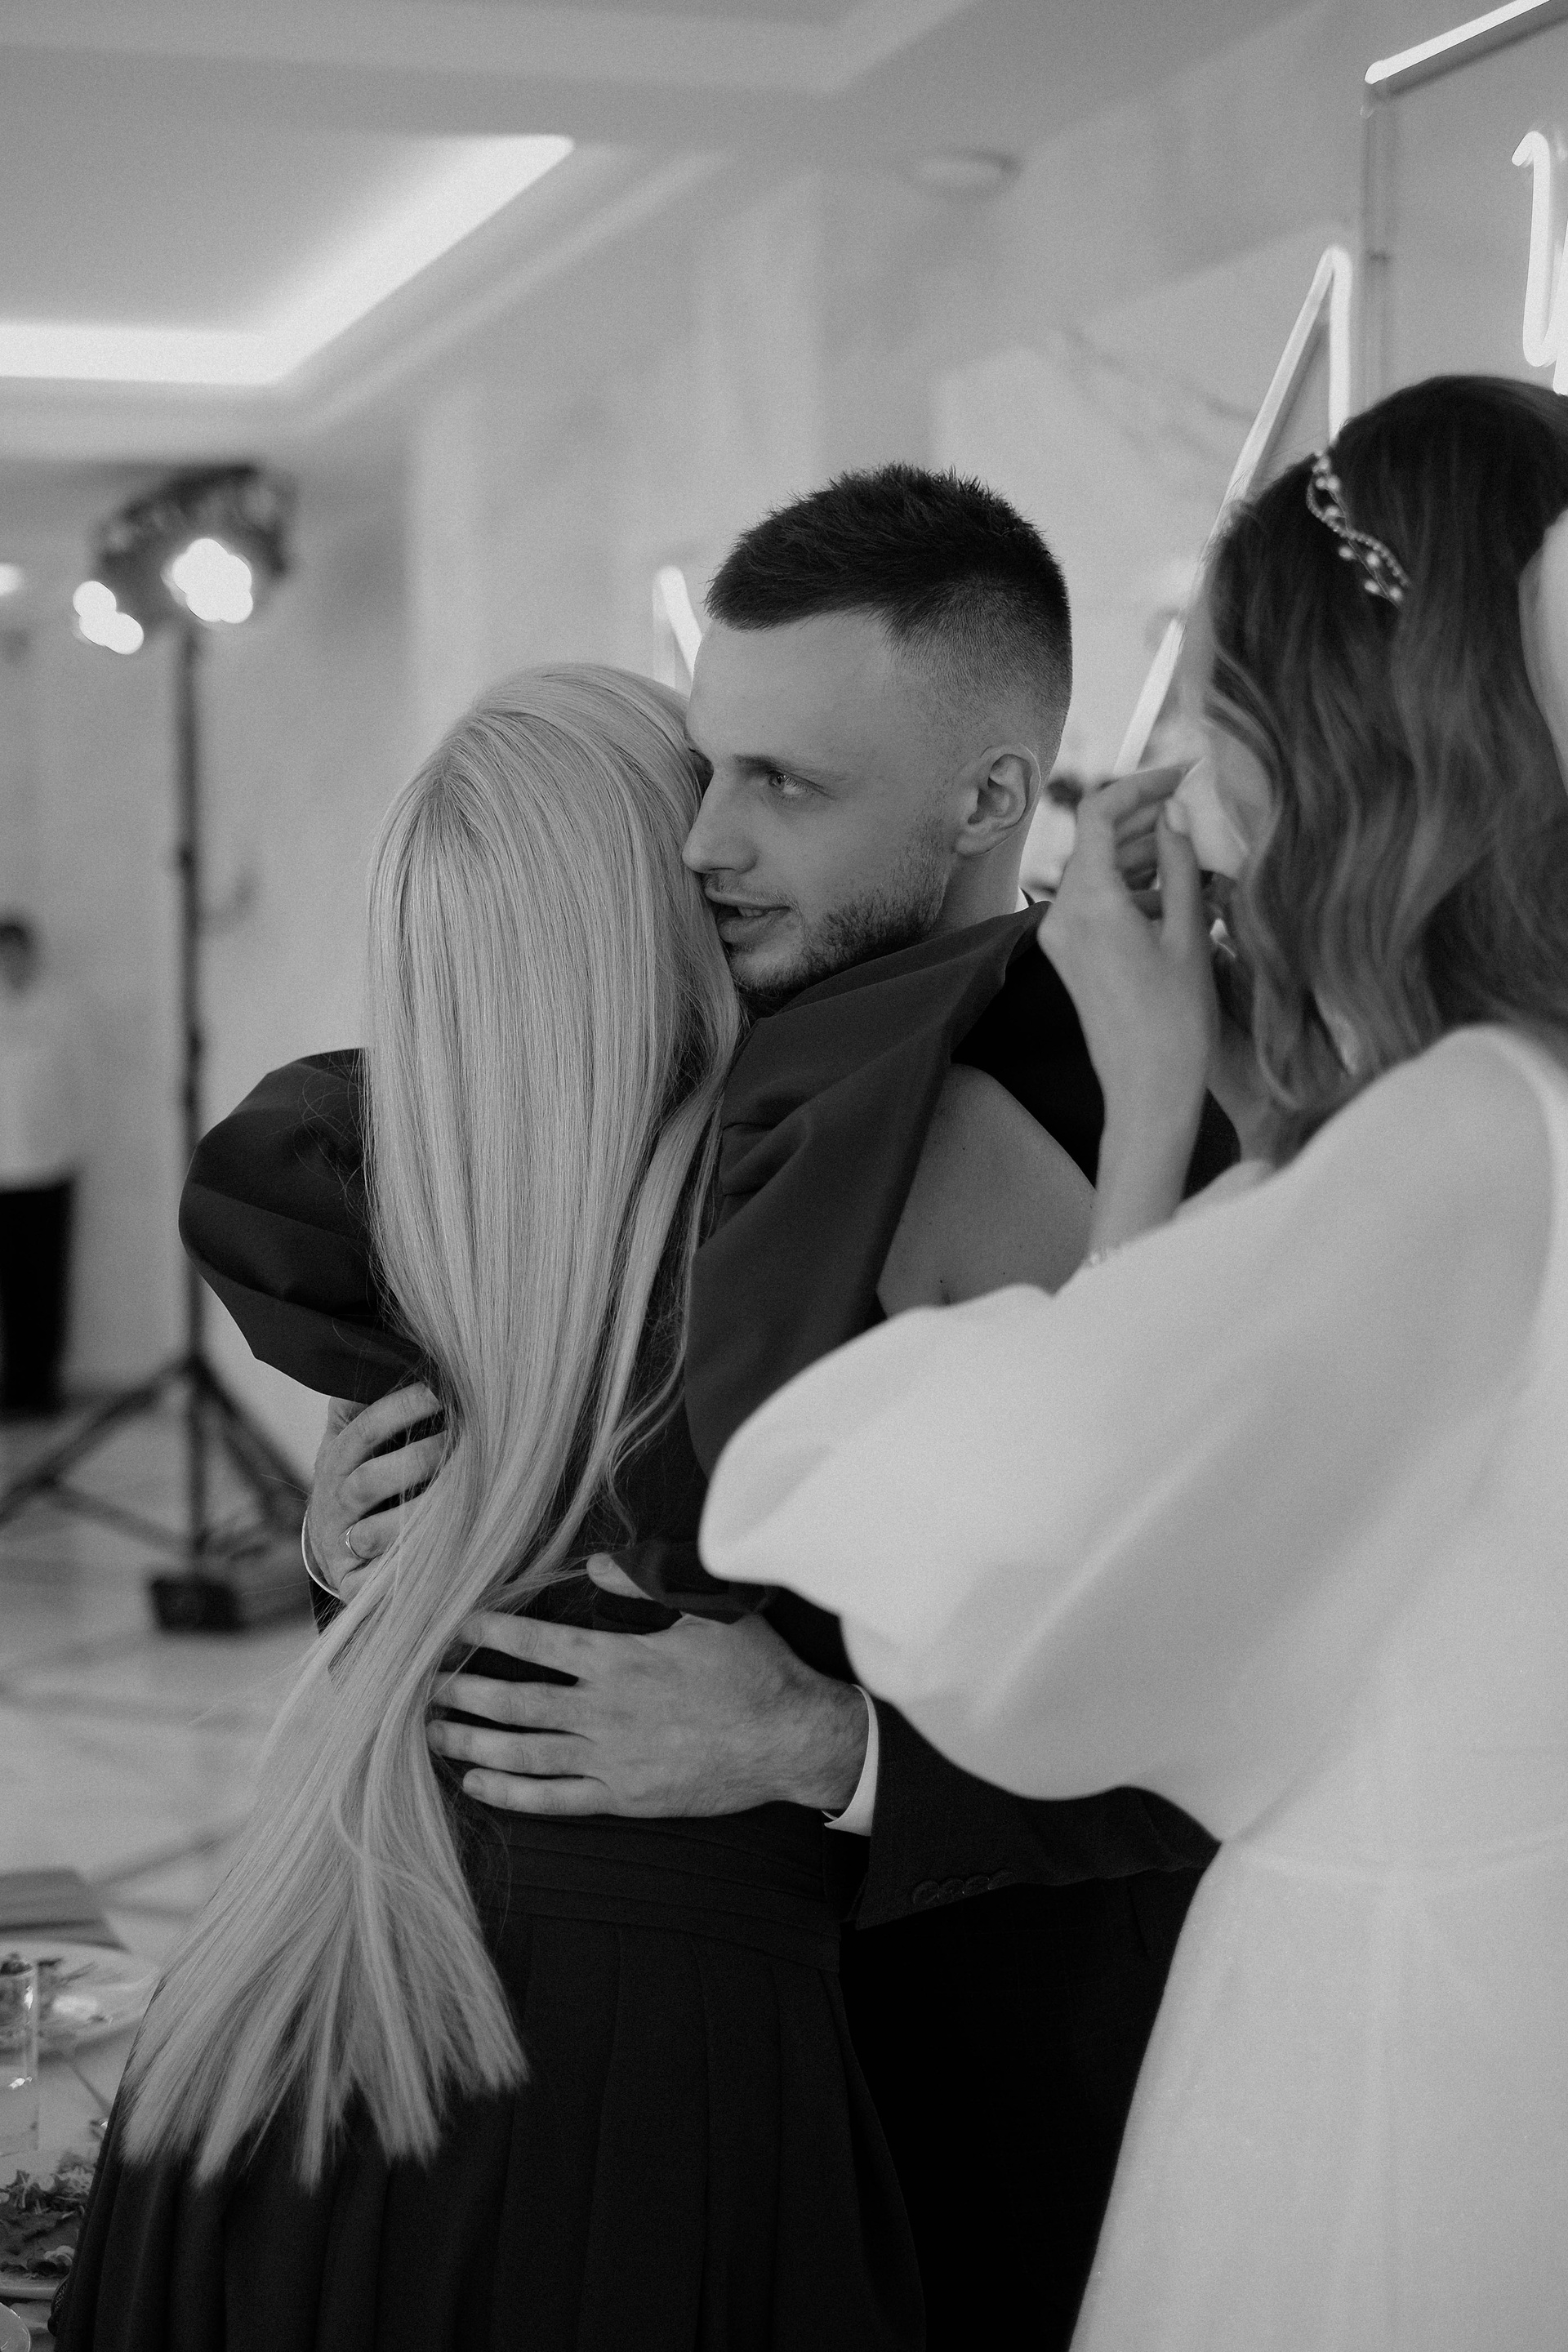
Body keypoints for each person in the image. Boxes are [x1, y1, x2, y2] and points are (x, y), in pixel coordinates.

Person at [305, 466, 1235, 2346]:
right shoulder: (700, 1063)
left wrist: (828, 1747)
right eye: (704, 767)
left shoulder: (1106, 1106)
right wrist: (389, 1534)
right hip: (679, 2082)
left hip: (998, 2078)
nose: (706, 842)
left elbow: (1215, 1701)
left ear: (989, 797)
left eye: (786, 787)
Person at [698, 377, 1568, 2349]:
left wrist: (1155, 1090)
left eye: (1223, 695)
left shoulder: (1466, 1137)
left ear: (1338, 739)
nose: (1185, 762)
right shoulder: (1484, 1122)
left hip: (1413, 2040)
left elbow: (1059, 1601)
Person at [54, 669, 924, 2352]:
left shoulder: (396, 1220)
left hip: (301, 2026)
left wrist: (820, 1744)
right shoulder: (817, 1234)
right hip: (622, 2086)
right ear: (672, 909)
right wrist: (362, 1574)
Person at [0, 913, 87, 1417]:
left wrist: (73, 1148)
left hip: (50, 1168)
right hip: (5, 1174)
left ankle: (45, 1386)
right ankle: (16, 1385)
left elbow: (81, 1085)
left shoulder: (61, 1010)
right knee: (12, 1287)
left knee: (47, 1283)